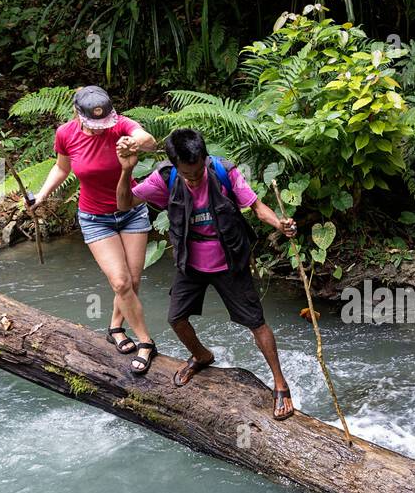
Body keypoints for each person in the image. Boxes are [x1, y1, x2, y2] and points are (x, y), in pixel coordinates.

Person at [115, 128, 298, 419]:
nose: (195, 177)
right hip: (191, 264)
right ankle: (202, 355)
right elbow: (124, 204)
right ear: (176, 166)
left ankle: (280, 383)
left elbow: (257, 206)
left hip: (229, 261)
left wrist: (280, 224)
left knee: (257, 323)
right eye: (188, 174)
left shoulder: (224, 171)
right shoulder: (166, 178)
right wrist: (126, 171)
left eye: (199, 170)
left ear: (204, 157)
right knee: (175, 318)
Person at [29, 86, 160, 375]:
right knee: (121, 282)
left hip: (131, 210)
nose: (102, 130)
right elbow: (61, 169)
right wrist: (41, 196)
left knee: (132, 282)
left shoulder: (120, 125)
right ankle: (146, 341)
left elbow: (148, 140)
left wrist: (134, 142)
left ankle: (115, 327)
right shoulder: (66, 133)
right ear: (78, 114)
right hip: (94, 218)